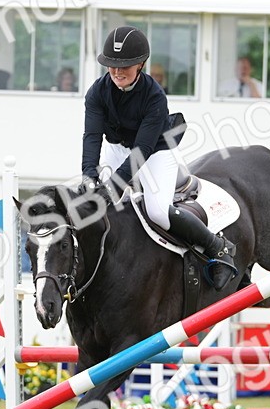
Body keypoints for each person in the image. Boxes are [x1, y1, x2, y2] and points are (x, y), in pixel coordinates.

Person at [79, 25, 236, 290]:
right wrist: (89, 175)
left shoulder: (154, 97)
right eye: (112, 66)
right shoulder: (96, 93)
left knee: (158, 212)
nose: (117, 72)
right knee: (92, 203)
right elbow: (92, 136)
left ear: (140, 64)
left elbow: (142, 150)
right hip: (116, 149)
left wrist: (114, 187)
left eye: (124, 66)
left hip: (155, 152)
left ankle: (218, 248)